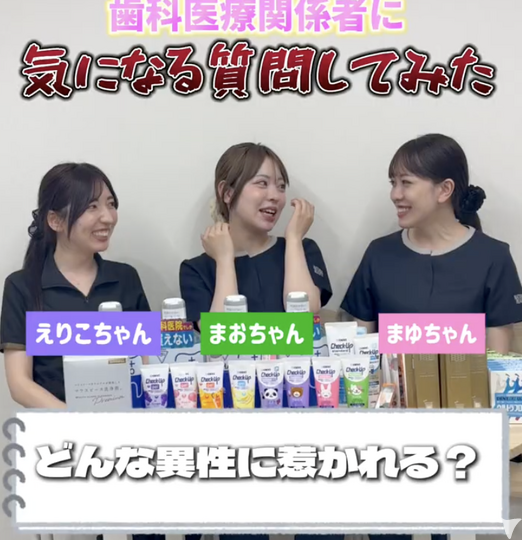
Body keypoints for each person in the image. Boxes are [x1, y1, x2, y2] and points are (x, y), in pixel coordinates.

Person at [340, 133, 522, 540]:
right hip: (388, 436)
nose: (395, 194)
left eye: (406, 183)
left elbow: (498, 364)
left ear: (444, 190)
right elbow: (359, 352)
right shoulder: (379, 254)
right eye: (392, 182)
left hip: (459, 433)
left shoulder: (493, 256)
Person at [179, 142, 338, 540]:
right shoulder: (197, 270)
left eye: (281, 186)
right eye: (262, 183)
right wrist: (225, 259)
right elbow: (220, 343)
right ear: (227, 192)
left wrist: (295, 239)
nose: (275, 197)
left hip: (304, 415)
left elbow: (305, 320)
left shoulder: (302, 250)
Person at [0, 162, 163, 540]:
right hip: (62, 447)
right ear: (55, 220)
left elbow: (147, 363)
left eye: (111, 203)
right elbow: (20, 384)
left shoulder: (125, 278)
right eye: (91, 206)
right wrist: (81, 422)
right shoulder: (24, 287)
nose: (107, 217)